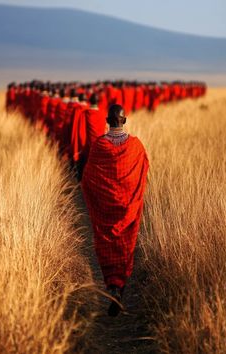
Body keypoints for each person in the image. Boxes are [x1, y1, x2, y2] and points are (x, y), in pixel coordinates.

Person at [82, 104, 149, 316]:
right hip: (128, 207)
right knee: (125, 245)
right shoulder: (136, 146)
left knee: (106, 244)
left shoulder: (99, 146)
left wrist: (97, 200)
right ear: (125, 120)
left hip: (106, 211)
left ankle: (113, 287)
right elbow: (143, 171)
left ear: (107, 122)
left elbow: (87, 180)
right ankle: (121, 288)